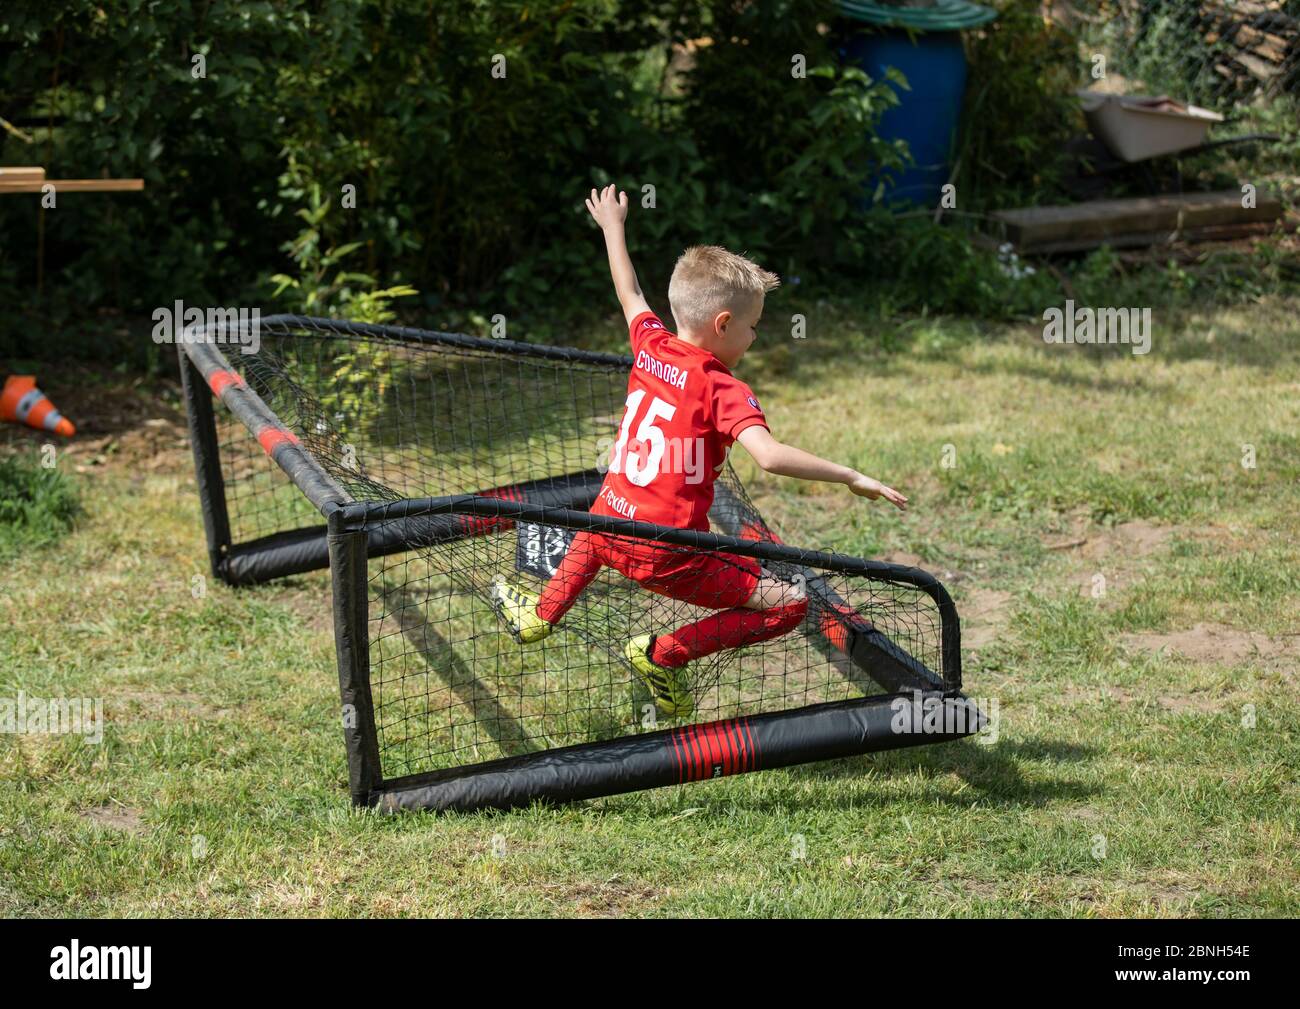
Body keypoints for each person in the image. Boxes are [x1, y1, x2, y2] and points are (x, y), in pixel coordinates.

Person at [492, 185, 907, 716]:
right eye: (754, 327)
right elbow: (770, 456)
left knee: (608, 524)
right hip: (666, 550)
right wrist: (850, 474)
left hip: (605, 524)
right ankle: (661, 654)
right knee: (790, 603)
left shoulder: (651, 345)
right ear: (724, 324)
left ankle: (540, 616)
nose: (755, 337)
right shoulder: (722, 387)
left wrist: (613, 227)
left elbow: (630, 294)